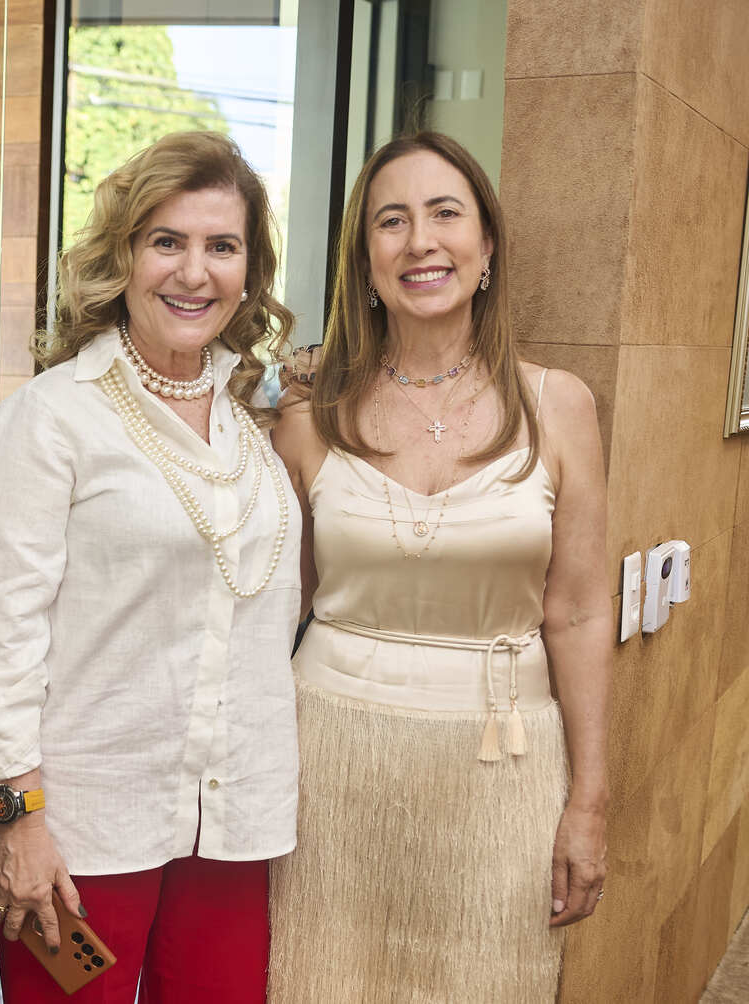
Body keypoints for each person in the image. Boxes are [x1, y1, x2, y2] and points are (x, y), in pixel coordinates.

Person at [0, 131, 300, 1003]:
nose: (194, 272)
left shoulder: (248, 422)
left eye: (222, 247)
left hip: (231, 821)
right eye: (167, 242)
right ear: (124, 257)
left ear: (250, 271)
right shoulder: (55, 418)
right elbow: (3, 643)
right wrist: (16, 822)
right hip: (79, 836)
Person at [269, 132, 610, 1001]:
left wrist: (591, 801)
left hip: (504, 775)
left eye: (445, 213)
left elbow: (576, 612)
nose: (421, 240)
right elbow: (270, 610)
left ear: (486, 247)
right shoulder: (311, 415)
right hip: (328, 775)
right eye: (393, 221)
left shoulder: (558, 406)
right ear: (367, 261)